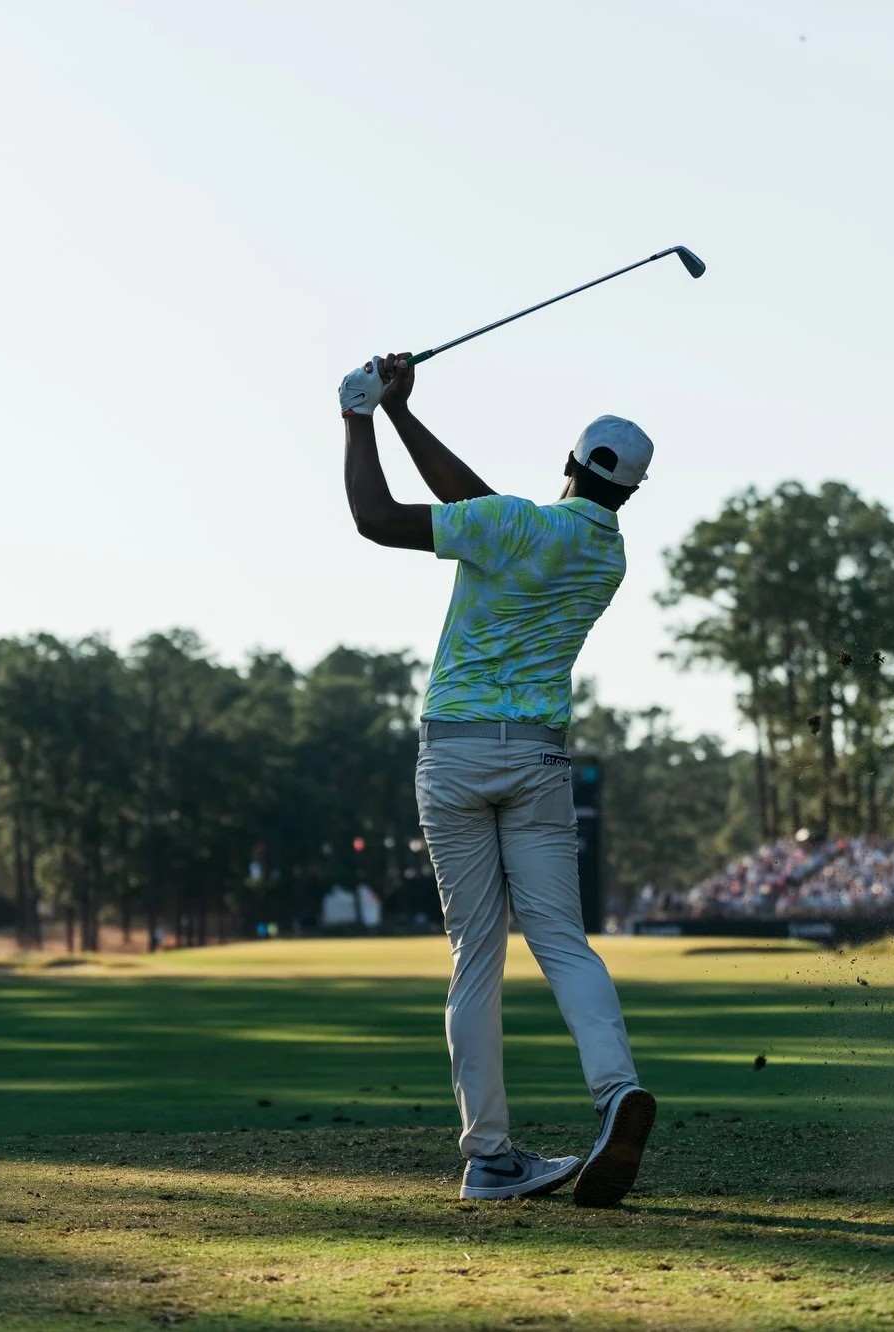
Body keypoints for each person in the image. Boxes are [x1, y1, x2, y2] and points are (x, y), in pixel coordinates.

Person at [339, 351, 654, 1206]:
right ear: (628, 491)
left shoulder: (512, 524)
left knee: (474, 955)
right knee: (563, 941)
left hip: (455, 755)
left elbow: (375, 518)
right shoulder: (605, 557)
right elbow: (476, 501)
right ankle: (617, 1092)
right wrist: (405, 414)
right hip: (542, 760)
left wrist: (359, 414)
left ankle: (490, 1156)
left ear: (567, 461)